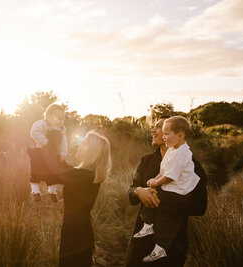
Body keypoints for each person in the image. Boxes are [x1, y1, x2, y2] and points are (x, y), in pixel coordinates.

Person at [125, 116, 207, 267]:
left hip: (172, 246)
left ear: (178, 134)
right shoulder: (146, 160)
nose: (154, 131)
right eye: (156, 128)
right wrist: (138, 191)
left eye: (160, 127)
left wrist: (161, 201)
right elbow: (131, 193)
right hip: (141, 241)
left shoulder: (192, 165)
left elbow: (200, 206)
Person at [27, 131, 112, 267]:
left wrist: (38, 150)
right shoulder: (85, 175)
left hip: (76, 236)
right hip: (78, 231)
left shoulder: (83, 176)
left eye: (83, 143)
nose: (79, 145)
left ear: (91, 151)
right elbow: (63, 169)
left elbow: (50, 173)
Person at [29, 103, 67, 202]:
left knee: (52, 173)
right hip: (39, 152)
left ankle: (52, 192)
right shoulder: (42, 124)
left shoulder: (61, 130)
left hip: (53, 155)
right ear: (49, 116)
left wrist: (63, 153)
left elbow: (64, 142)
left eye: (63, 119)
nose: (61, 121)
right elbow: (34, 132)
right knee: (36, 172)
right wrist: (45, 141)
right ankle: (35, 192)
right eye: (58, 118)